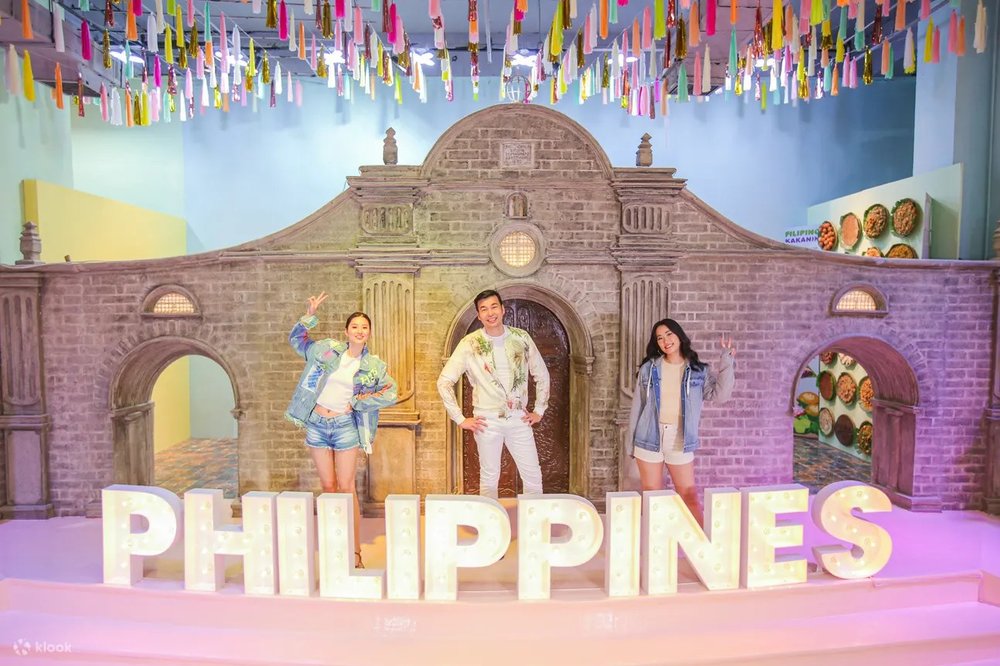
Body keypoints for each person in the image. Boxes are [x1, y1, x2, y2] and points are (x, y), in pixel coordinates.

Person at [285, 292, 398, 568]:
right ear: (347, 331)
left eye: (364, 327)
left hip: (346, 427)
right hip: (317, 425)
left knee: (347, 488)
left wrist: (358, 401)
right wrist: (309, 315)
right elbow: (297, 341)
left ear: (369, 333)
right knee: (328, 486)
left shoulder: (373, 366)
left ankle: (354, 552)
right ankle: (333, 547)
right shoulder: (326, 350)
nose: (360, 331)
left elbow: (391, 393)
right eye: (355, 326)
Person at [437, 289, 550, 499]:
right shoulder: (469, 344)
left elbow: (541, 373)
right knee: (489, 477)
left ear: (503, 309)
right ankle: (491, 528)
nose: (490, 313)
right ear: (479, 315)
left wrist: (539, 410)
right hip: (486, 420)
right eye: (484, 309)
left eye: (494, 306)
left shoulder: (521, 337)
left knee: (533, 474)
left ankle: (535, 527)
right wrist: (460, 419)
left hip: (518, 418)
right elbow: (444, 381)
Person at [626, 319, 735, 526]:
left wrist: (727, 362)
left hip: (680, 438)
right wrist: (630, 444)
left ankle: (702, 544)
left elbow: (720, 395)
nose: (665, 341)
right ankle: (657, 545)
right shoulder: (649, 369)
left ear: (678, 335)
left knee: (688, 494)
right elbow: (637, 407)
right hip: (648, 437)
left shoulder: (697, 370)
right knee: (652, 497)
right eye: (659, 338)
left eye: (669, 334)